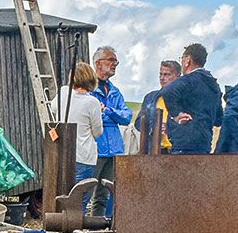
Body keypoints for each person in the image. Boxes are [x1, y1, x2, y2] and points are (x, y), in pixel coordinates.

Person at [161, 43, 223, 154]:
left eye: (182, 58)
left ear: (187, 60)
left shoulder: (189, 80)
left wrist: (177, 114)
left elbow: (167, 92)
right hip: (204, 142)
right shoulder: (214, 85)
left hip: (183, 143)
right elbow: (218, 119)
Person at [64, 62, 108, 218]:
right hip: (84, 156)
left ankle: (62, 226)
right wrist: (100, 112)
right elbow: (98, 132)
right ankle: (75, 228)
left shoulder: (62, 94)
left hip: (64, 154)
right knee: (80, 201)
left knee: (64, 196)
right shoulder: (92, 102)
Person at [89, 46, 130, 180]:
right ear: (98, 64)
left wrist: (107, 110)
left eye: (116, 61)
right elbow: (91, 117)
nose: (115, 64)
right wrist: (115, 117)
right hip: (96, 148)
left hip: (114, 149)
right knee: (89, 187)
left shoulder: (115, 91)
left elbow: (127, 117)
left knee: (109, 189)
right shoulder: (89, 89)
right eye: (111, 60)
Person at [136, 60, 179, 154]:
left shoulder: (184, 99)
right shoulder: (150, 97)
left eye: (167, 75)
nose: (162, 78)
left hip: (176, 151)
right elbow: (138, 123)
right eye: (161, 74)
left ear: (177, 77)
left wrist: (170, 127)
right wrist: (154, 127)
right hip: (154, 150)